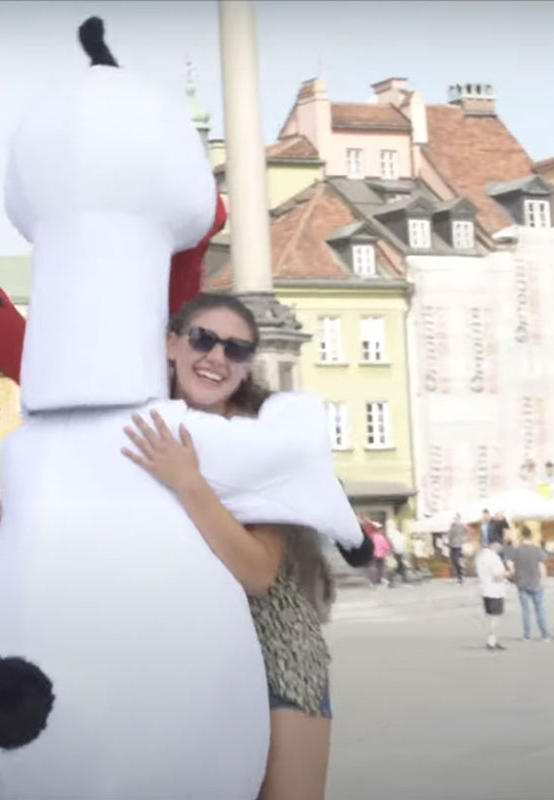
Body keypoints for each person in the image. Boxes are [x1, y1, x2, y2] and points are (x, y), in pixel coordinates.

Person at [121, 293, 342, 800]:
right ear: (171, 345)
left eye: (237, 350)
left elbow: (258, 572)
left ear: (247, 367)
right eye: (203, 339)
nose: (217, 357)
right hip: (178, 656)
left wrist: (188, 481)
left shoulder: (263, 443)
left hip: (275, 654)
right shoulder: (143, 426)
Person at [506, 529, 552, 642]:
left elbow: (509, 562)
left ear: (521, 536)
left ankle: (527, 635)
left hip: (521, 583)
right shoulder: (536, 549)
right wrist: (544, 580)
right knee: (539, 609)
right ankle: (545, 634)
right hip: (535, 582)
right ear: (531, 536)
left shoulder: (517, 551)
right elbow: (541, 565)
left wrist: (514, 573)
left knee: (525, 610)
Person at [475, 539, 509, 651]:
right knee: (496, 617)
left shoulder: (481, 557)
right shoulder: (494, 558)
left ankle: (492, 639)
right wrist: (508, 573)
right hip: (495, 590)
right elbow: (497, 575)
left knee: (491, 616)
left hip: (485, 588)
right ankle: (491, 640)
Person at [365, 519, 392, 589]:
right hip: (380, 555)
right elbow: (386, 546)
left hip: (372, 555)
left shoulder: (370, 537)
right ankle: (382, 579)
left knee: (372, 568)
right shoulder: (380, 537)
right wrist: (388, 552)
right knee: (381, 568)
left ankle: (373, 582)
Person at [445, 514, 467, 585]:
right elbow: (449, 535)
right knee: (454, 561)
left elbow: (468, 532)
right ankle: (459, 575)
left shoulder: (462, 526)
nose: (455, 520)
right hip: (452, 546)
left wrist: (464, 540)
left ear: (459, 519)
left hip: (458, 546)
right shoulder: (452, 526)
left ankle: (461, 576)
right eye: (454, 518)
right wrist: (447, 542)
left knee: (457, 561)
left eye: (456, 518)